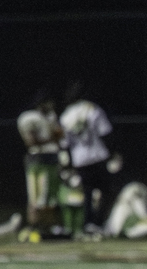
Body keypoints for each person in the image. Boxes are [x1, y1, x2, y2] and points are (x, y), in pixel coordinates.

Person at [59, 85, 121, 234]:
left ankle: (88, 223)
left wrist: (68, 163)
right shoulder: (92, 109)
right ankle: (99, 222)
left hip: (79, 159)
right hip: (98, 155)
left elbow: (64, 144)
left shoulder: (66, 116)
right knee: (108, 190)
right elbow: (105, 132)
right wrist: (113, 152)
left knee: (87, 192)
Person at [17, 94, 63, 238]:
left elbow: (60, 135)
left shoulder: (50, 117)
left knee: (49, 197)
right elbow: (31, 142)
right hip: (38, 159)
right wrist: (51, 138)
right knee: (36, 196)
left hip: (51, 159)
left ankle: (47, 227)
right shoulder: (30, 117)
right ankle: (34, 226)